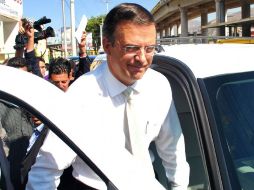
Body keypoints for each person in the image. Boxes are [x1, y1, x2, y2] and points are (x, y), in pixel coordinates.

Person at [26, 3, 189, 190]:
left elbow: (173, 152)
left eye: (150, 48)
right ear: (107, 46)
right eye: (132, 48)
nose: (143, 59)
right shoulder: (81, 95)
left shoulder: (158, 86)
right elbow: (47, 168)